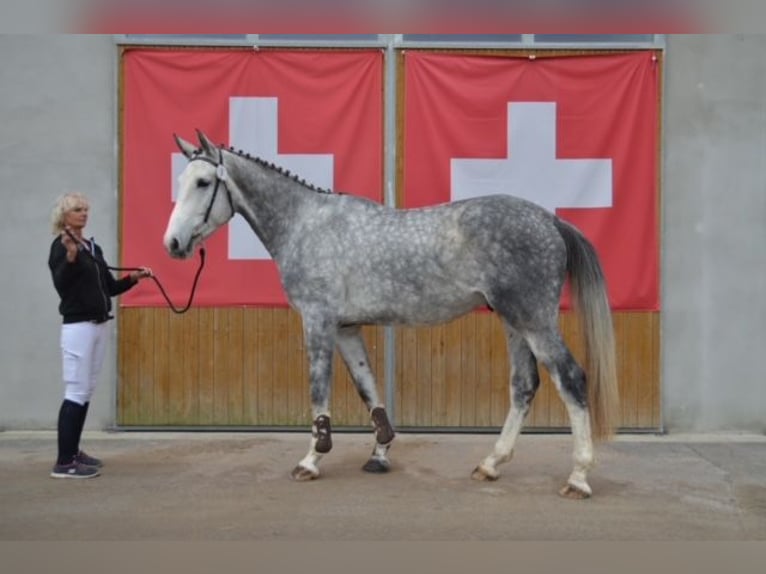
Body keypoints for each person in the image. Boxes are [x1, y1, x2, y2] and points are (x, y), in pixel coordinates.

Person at [48, 192, 152, 478]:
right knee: (75, 391)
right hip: (78, 327)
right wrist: (70, 257)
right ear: (64, 216)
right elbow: (61, 284)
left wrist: (132, 279)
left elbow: (108, 287)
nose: (83, 214)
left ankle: (73, 450)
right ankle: (64, 462)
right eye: (77, 210)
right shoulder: (61, 247)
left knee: (86, 390)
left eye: (85, 209)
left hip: (98, 325)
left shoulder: (93, 247)